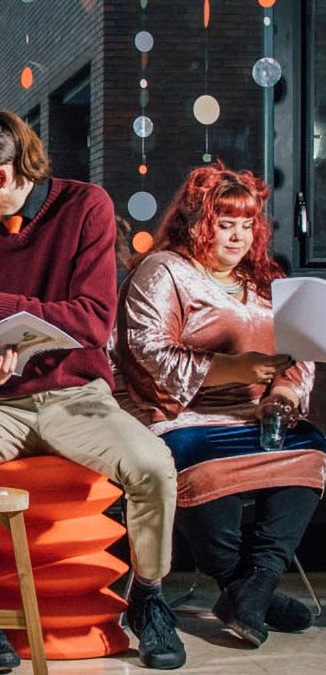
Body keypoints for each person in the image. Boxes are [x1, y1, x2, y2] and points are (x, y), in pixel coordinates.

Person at [0, 111, 183, 671]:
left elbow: (93, 321)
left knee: (152, 464)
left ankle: (149, 599)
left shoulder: (86, 208)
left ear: (4, 176)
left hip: (76, 398)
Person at [114, 163, 325, 647]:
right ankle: (242, 587)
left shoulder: (266, 279)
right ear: (194, 224)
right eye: (225, 224)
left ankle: (255, 584)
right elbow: (148, 351)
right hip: (176, 411)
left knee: (311, 450)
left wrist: (284, 393)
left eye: (247, 225)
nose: (238, 237)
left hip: (257, 412)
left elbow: (296, 358)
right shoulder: (163, 271)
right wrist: (236, 369)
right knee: (204, 462)